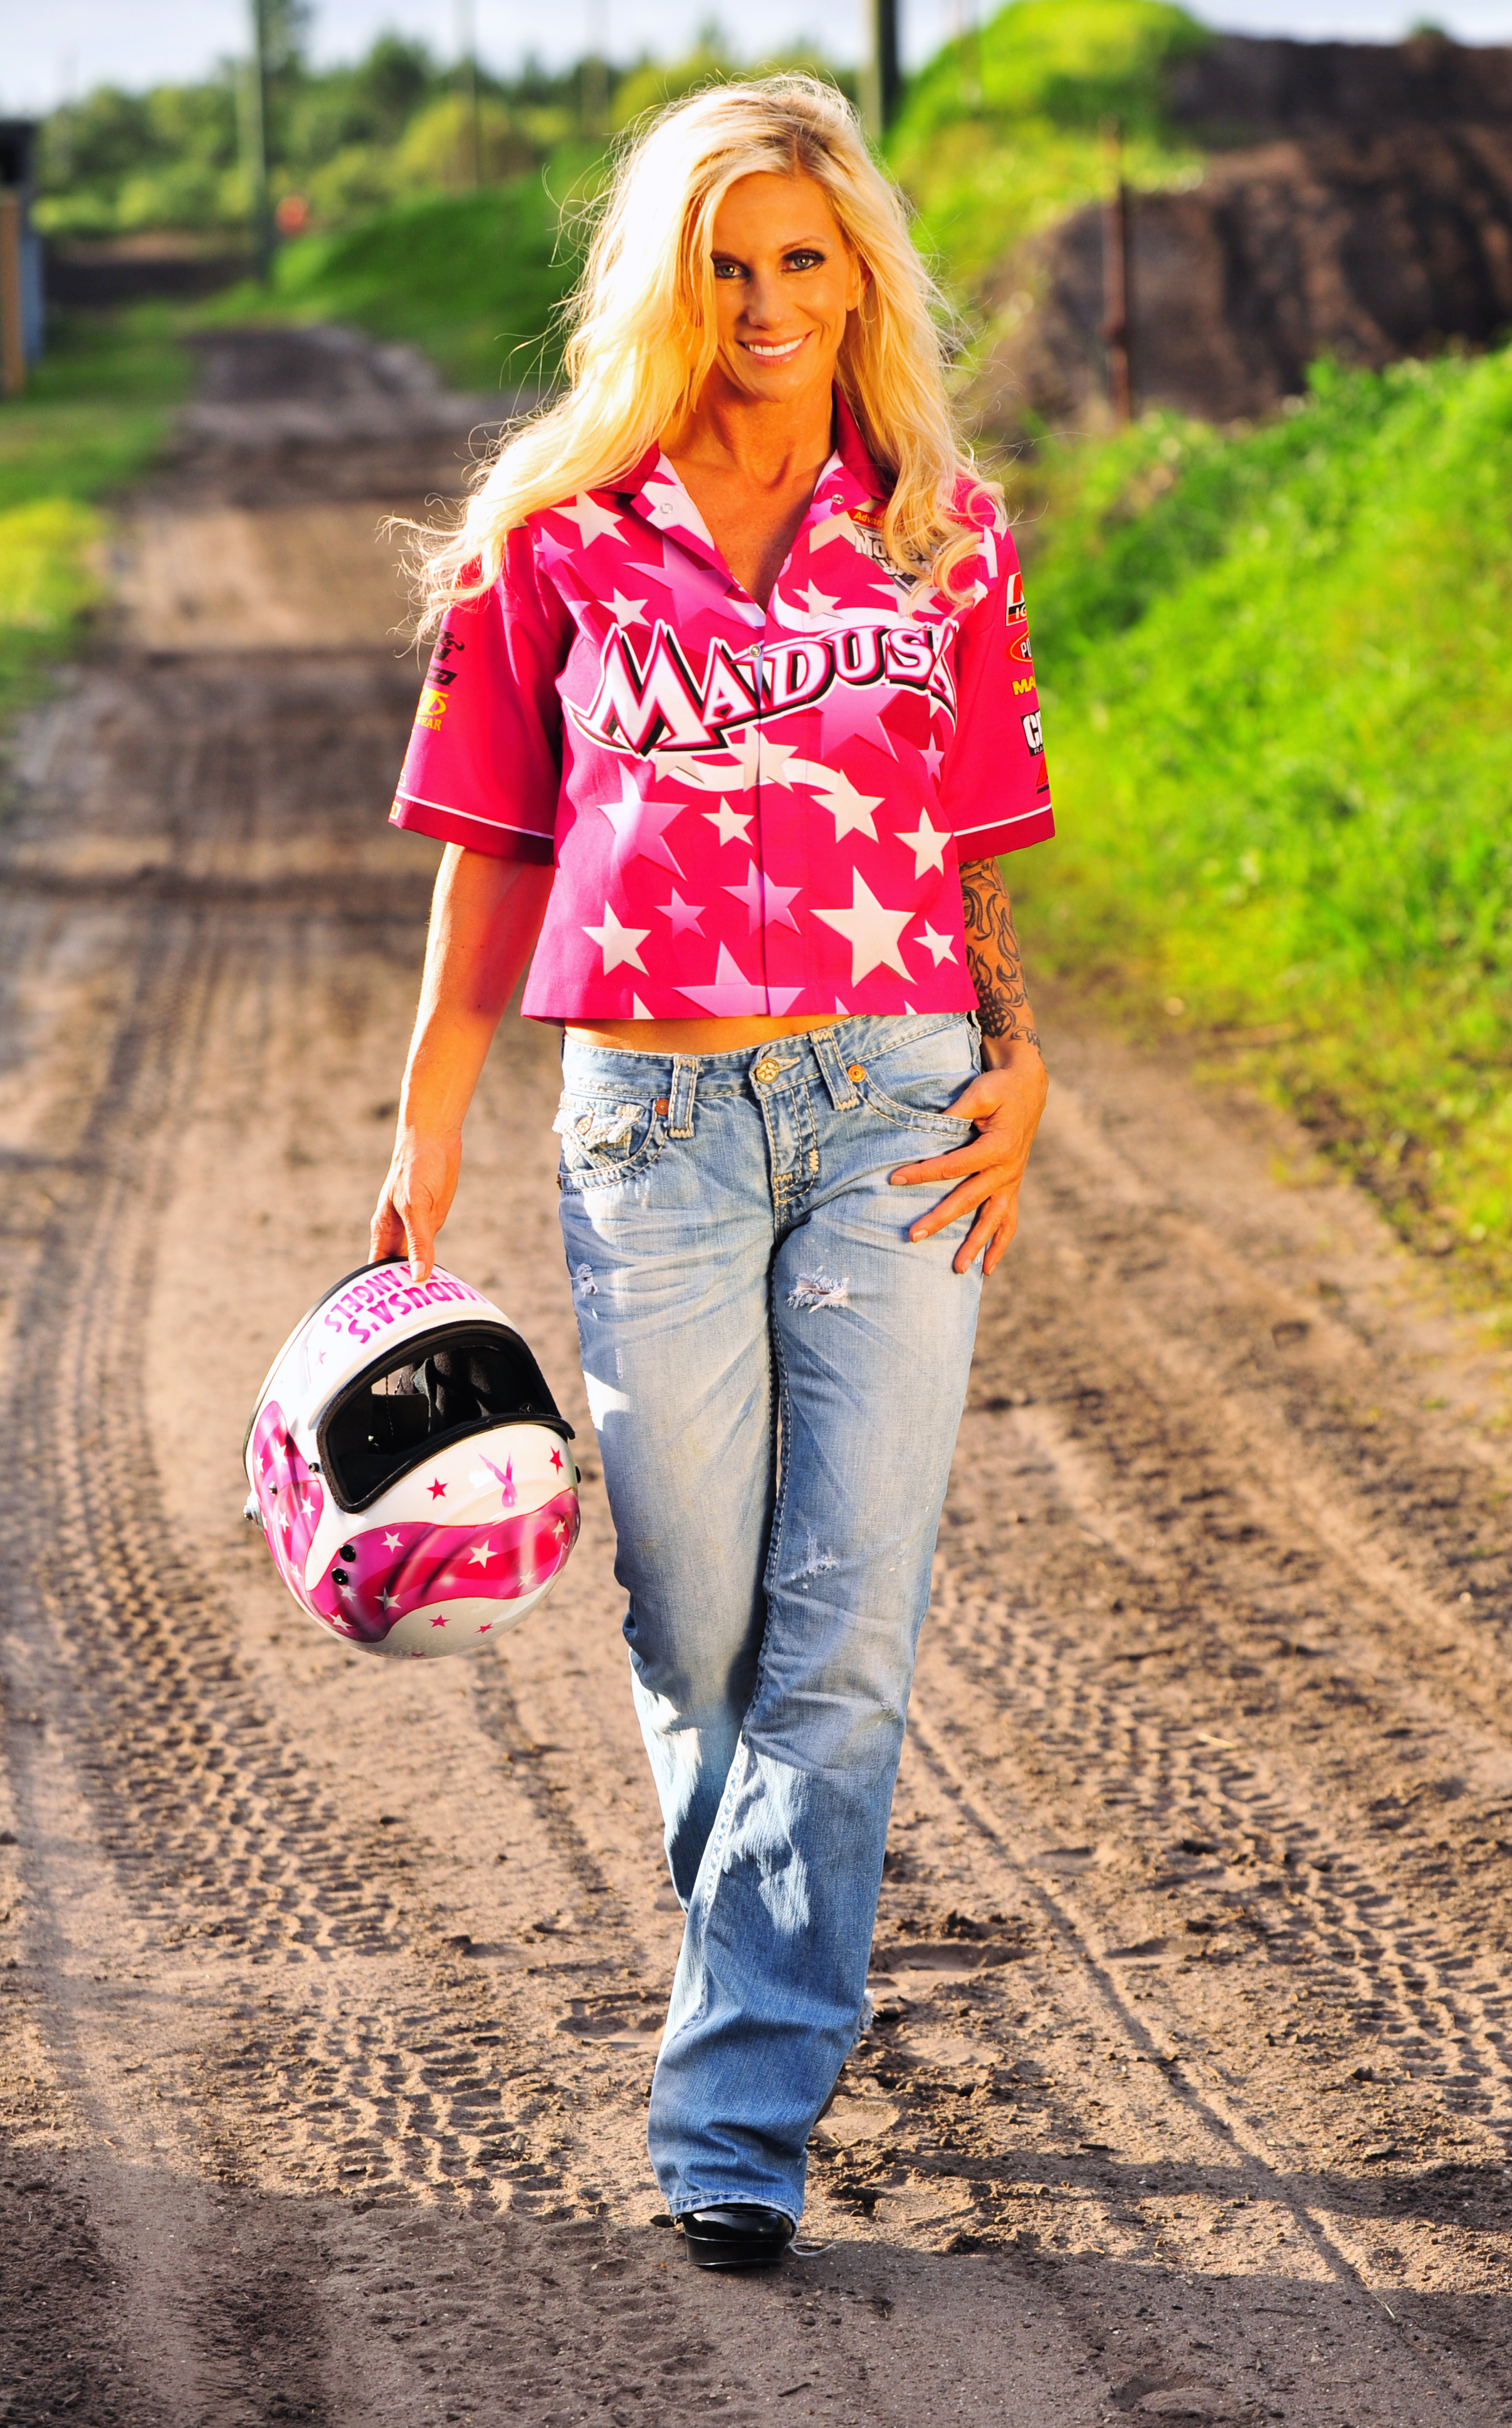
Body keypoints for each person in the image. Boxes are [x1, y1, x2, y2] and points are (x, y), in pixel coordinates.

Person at [370, 75, 1053, 2269]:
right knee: (698, 1620)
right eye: (726, 261)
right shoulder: (548, 536)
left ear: (861, 275)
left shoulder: (947, 529)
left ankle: (733, 2117)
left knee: (841, 1640)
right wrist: (423, 1119)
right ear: (665, 280)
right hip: (648, 1127)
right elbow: (490, 851)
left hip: (894, 1110)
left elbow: (971, 852)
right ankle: (760, 1961)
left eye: (806, 259)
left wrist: (1019, 1065)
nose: (768, 300)